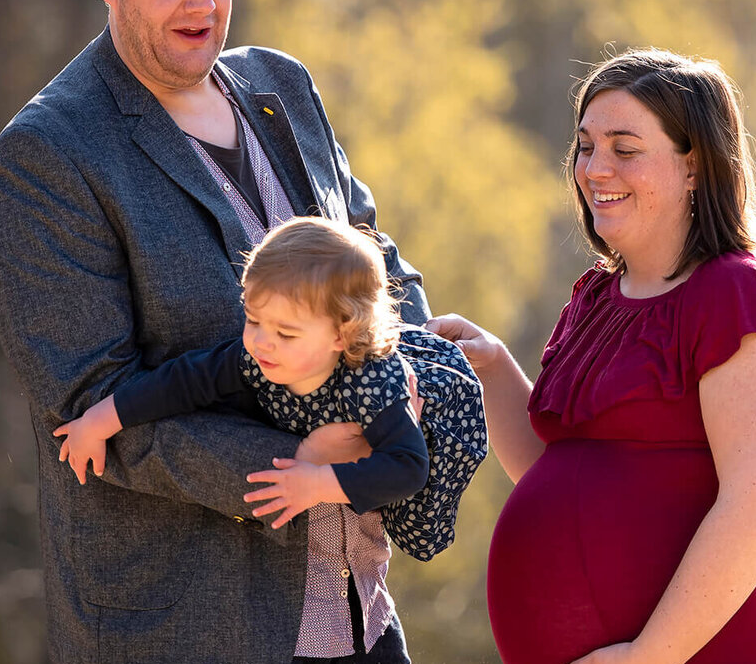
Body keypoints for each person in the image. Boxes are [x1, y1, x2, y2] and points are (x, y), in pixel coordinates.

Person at [0, 0, 425, 664]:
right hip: (203, 637)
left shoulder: (282, 88)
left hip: (358, 604)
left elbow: (378, 266)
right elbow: (91, 411)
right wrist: (305, 468)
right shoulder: (48, 155)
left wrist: (411, 373)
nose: (203, 2)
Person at [429, 48, 756, 664]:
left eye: (624, 148)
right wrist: (489, 366)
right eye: (584, 146)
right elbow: (558, 475)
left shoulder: (735, 293)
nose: (593, 168)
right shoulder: (596, 298)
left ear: (694, 166)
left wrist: (649, 662)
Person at [53, 217, 485, 558]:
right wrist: (99, 419)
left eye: (286, 332)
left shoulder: (373, 383)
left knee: (412, 519)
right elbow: (182, 381)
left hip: (432, 417)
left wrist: (318, 482)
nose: (262, 340)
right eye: (254, 319)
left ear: (341, 333)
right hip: (331, 409)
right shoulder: (258, 356)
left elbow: (409, 468)